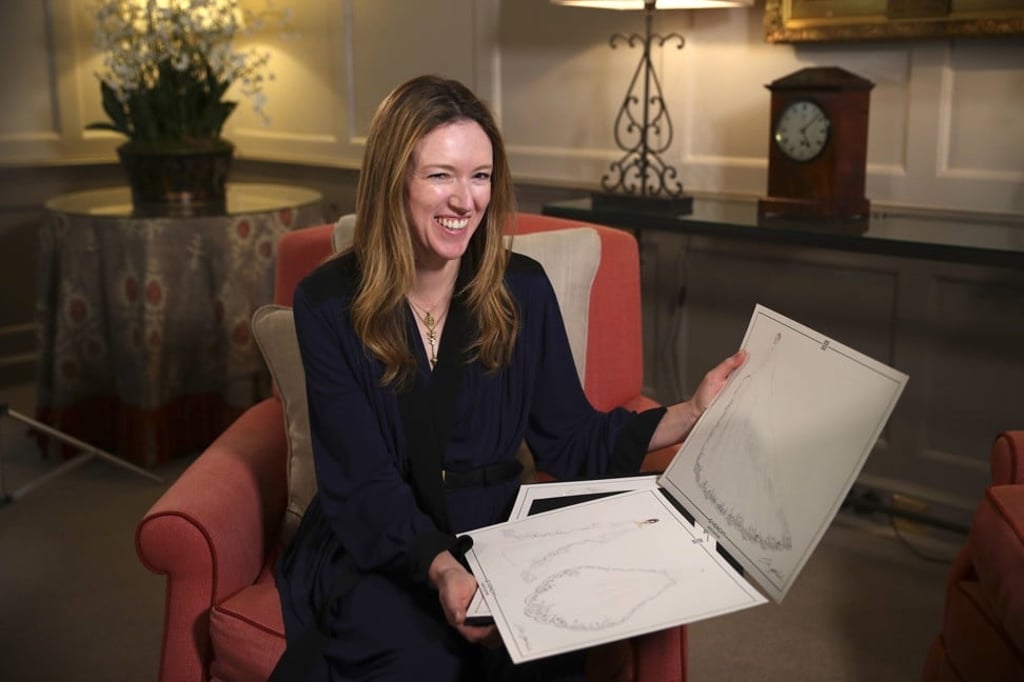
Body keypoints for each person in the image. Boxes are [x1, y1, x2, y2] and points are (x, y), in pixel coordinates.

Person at [274, 74, 746, 681]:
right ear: (394, 182)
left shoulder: (522, 287)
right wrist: (442, 568)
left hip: (499, 533)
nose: (465, 200)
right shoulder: (327, 301)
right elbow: (361, 481)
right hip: (383, 541)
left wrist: (689, 413)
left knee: (539, 653)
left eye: (480, 176)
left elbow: (570, 438)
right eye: (440, 175)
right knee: (412, 659)